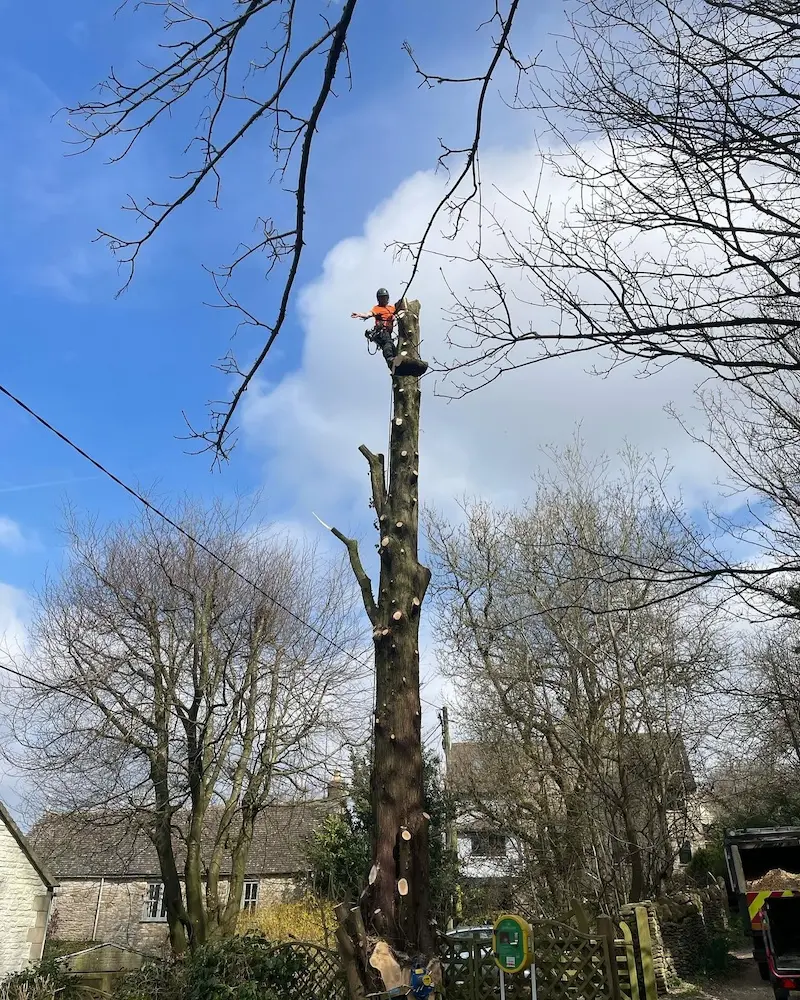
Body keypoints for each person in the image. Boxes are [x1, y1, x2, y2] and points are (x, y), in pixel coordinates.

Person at [351, 288, 428, 376]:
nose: (383, 300)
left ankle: (400, 366)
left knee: (393, 348)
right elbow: (369, 314)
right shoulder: (377, 308)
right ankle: (391, 361)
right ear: (378, 299)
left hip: (388, 333)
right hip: (382, 332)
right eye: (381, 298)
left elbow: (399, 310)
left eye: (384, 298)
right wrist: (360, 314)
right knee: (387, 345)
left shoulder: (391, 308)